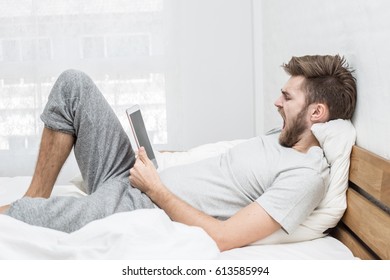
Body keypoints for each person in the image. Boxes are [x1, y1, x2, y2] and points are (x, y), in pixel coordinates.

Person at [0, 54, 357, 252]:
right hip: (133, 177)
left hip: (140, 205)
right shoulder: (281, 137)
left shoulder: (305, 177)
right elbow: (220, 169)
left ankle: (30, 206)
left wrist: (155, 188)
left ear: (317, 113)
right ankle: (36, 193)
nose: (276, 102)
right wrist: (163, 162)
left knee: (21, 216)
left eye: (288, 97)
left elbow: (225, 237)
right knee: (73, 83)